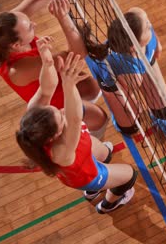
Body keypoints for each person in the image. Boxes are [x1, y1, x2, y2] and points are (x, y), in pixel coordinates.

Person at [16, 40, 138, 213]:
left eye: (55, 109)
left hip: (83, 151)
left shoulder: (35, 119)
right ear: (56, 134)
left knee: (106, 153)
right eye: (60, 117)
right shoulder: (61, 151)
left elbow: (46, 88)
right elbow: (74, 119)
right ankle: (109, 203)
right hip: (86, 174)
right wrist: (69, 83)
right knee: (130, 175)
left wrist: (47, 61)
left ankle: (96, 189)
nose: (61, 111)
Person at [0, 0, 108, 131]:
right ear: (16, 44)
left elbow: (29, 10)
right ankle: (83, 143)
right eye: (30, 27)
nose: (33, 23)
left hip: (60, 81)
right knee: (100, 119)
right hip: (53, 106)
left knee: (92, 88)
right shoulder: (19, 70)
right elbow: (78, 54)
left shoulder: (2, 31)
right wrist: (63, 17)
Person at [84, 8, 166, 139]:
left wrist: (158, 45)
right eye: (146, 27)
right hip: (111, 80)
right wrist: (131, 105)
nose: (149, 25)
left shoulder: (137, 15)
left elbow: (144, 22)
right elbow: (128, 92)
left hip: (138, 61)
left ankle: (161, 118)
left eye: (146, 21)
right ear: (134, 46)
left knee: (163, 103)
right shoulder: (132, 75)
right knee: (131, 122)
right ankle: (119, 118)